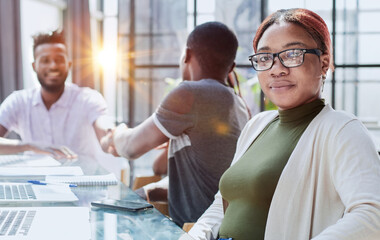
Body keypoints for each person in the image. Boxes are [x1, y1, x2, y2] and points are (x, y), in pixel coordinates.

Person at [189, 8, 380, 240]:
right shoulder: (257, 126)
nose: (277, 69)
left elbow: (371, 216)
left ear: (323, 62)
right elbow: (222, 205)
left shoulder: (342, 129)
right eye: (265, 57)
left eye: (292, 54)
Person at [101, 21, 250, 226]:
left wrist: (114, 134)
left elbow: (130, 148)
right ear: (231, 67)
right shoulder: (237, 103)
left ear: (187, 55)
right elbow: (160, 167)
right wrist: (150, 189)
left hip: (195, 230)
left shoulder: (191, 93)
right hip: (218, 226)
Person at [0, 30, 112, 160]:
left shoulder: (89, 99)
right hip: (34, 179)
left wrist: (113, 135)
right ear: (34, 66)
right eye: (45, 60)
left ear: (68, 65)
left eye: (59, 60)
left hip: (80, 179)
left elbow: (105, 134)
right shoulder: (18, 101)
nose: (53, 66)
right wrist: (29, 146)